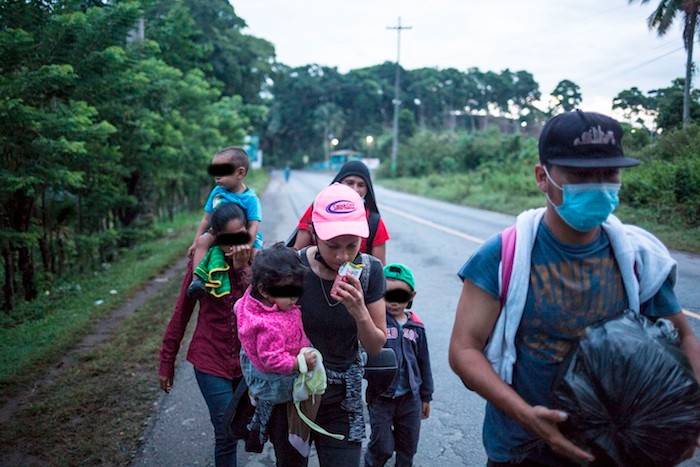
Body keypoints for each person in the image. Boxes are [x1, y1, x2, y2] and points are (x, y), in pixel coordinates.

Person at [448, 110, 700, 466]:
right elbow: (463, 350)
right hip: (522, 449)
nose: (598, 185)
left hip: (616, 450)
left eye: (609, 174)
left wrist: (690, 415)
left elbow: (683, 337)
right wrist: (525, 415)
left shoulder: (638, 257)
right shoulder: (502, 256)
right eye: (581, 174)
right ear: (542, 177)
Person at [269, 182, 388, 467]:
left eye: (352, 245)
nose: (343, 256)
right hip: (294, 397)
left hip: (341, 401)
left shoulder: (370, 272)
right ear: (313, 233)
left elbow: (375, 346)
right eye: (332, 246)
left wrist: (360, 312)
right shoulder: (293, 269)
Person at [159, 203, 253, 467]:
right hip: (210, 359)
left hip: (246, 363)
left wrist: (243, 269)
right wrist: (167, 360)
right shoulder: (203, 266)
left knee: (248, 427)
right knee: (226, 433)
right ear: (215, 236)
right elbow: (181, 313)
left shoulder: (255, 260)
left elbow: (265, 309)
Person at [235, 242, 317, 445]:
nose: (294, 297)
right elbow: (272, 361)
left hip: (258, 361)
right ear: (263, 290)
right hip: (276, 378)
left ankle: (259, 397)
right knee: (298, 391)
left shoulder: (252, 299)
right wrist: (299, 363)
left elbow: (238, 306)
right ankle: (289, 428)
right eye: (287, 291)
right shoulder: (268, 326)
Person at [365, 263, 434, 467]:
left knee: (408, 447)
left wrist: (426, 396)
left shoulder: (416, 327)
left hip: (410, 399)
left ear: (411, 296)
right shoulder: (377, 323)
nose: (394, 302)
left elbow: (424, 362)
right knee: (382, 447)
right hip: (381, 397)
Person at [187, 147, 263, 298]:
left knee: (257, 257)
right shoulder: (217, 192)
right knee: (203, 241)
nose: (217, 176)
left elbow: (254, 225)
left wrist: (246, 245)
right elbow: (206, 219)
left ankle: (255, 291)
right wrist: (195, 242)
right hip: (218, 234)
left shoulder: (250, 198)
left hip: (242, 236)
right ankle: (197, 282)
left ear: (240, 172)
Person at [292, 160, 390, 265]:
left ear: (367, 189)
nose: (355, 189)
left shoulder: (374, 222)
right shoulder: (318, 211)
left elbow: (380, 267)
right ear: (339, 182)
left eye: (361, 185)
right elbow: (297, 256)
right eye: (350, 183)